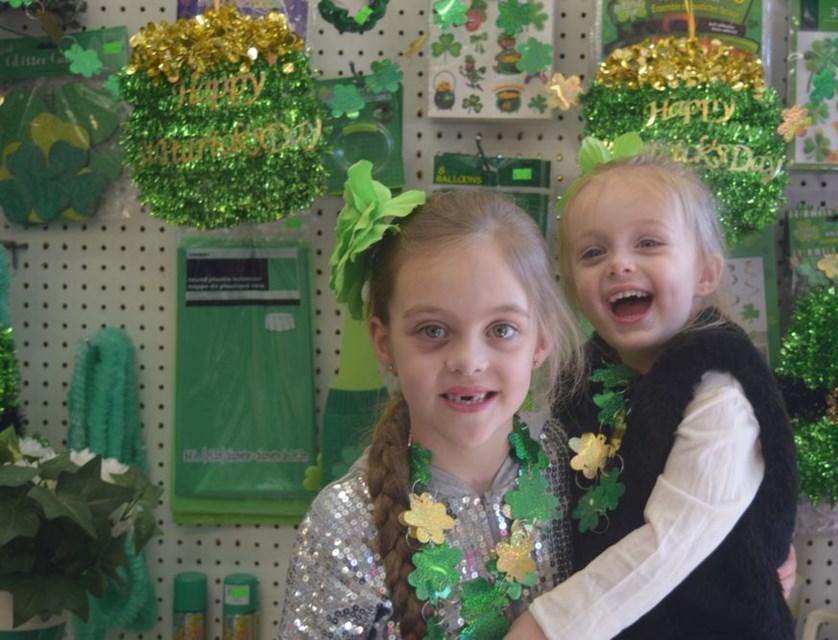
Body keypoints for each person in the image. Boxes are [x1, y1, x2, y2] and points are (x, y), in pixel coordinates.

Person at [508, 150, 799, 639]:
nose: (620, 264)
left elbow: (667, 543)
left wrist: (545, 627)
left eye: (648, 243)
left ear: (705, 274)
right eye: (593, 252)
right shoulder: (584, 378)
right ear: (575, 289)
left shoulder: (721, 391)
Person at [278, 178, 585, 638]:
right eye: (432, 330)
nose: (468, 362)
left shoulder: (575, 462)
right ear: (385, 344)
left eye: (501, 329)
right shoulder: (344, 520)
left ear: (541, 339)